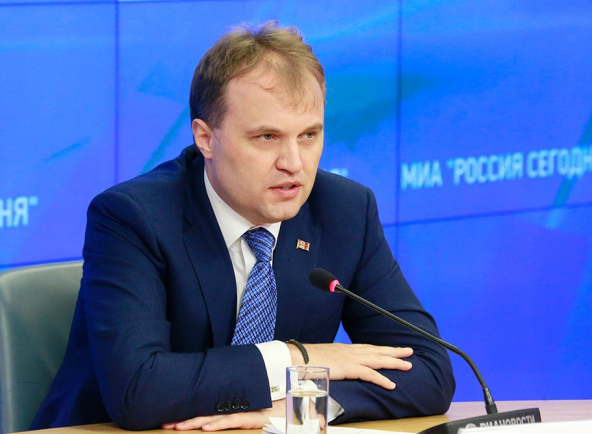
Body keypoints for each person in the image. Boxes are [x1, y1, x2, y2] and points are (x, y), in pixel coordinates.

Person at [31, 22, 455, 431]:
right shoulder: (134, 217)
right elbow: (138, 390)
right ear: (205, 138)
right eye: (267, 137)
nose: (294, 163)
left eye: (309, 135)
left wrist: (297, 408)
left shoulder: (344, 210)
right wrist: (295, 358)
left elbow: (429, 372)